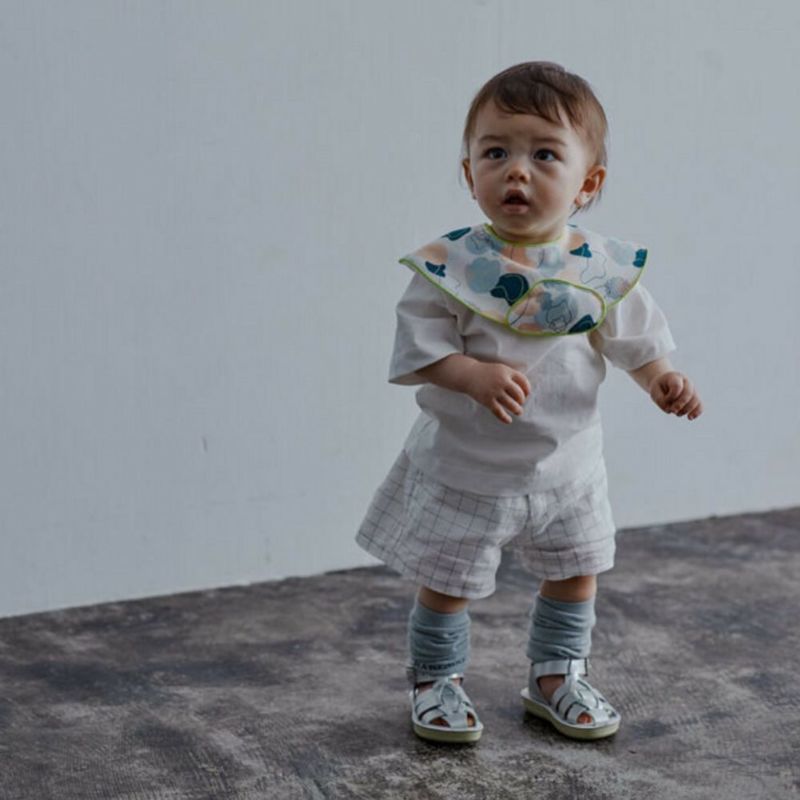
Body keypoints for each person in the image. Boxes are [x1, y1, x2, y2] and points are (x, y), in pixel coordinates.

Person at [356, 61, 703, 744]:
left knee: (577, 573)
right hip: (469, 469)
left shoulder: (600, 272)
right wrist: (470, 375)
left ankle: (556, 674)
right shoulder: (452, 269)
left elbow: (634, 339)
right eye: (496, 153)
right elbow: (420, 350)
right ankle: (437, 680)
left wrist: (661, 377)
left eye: (545, 155)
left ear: (587, 184)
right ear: (469, 174)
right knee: (448, 583)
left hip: (569, 470)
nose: (517, 171)